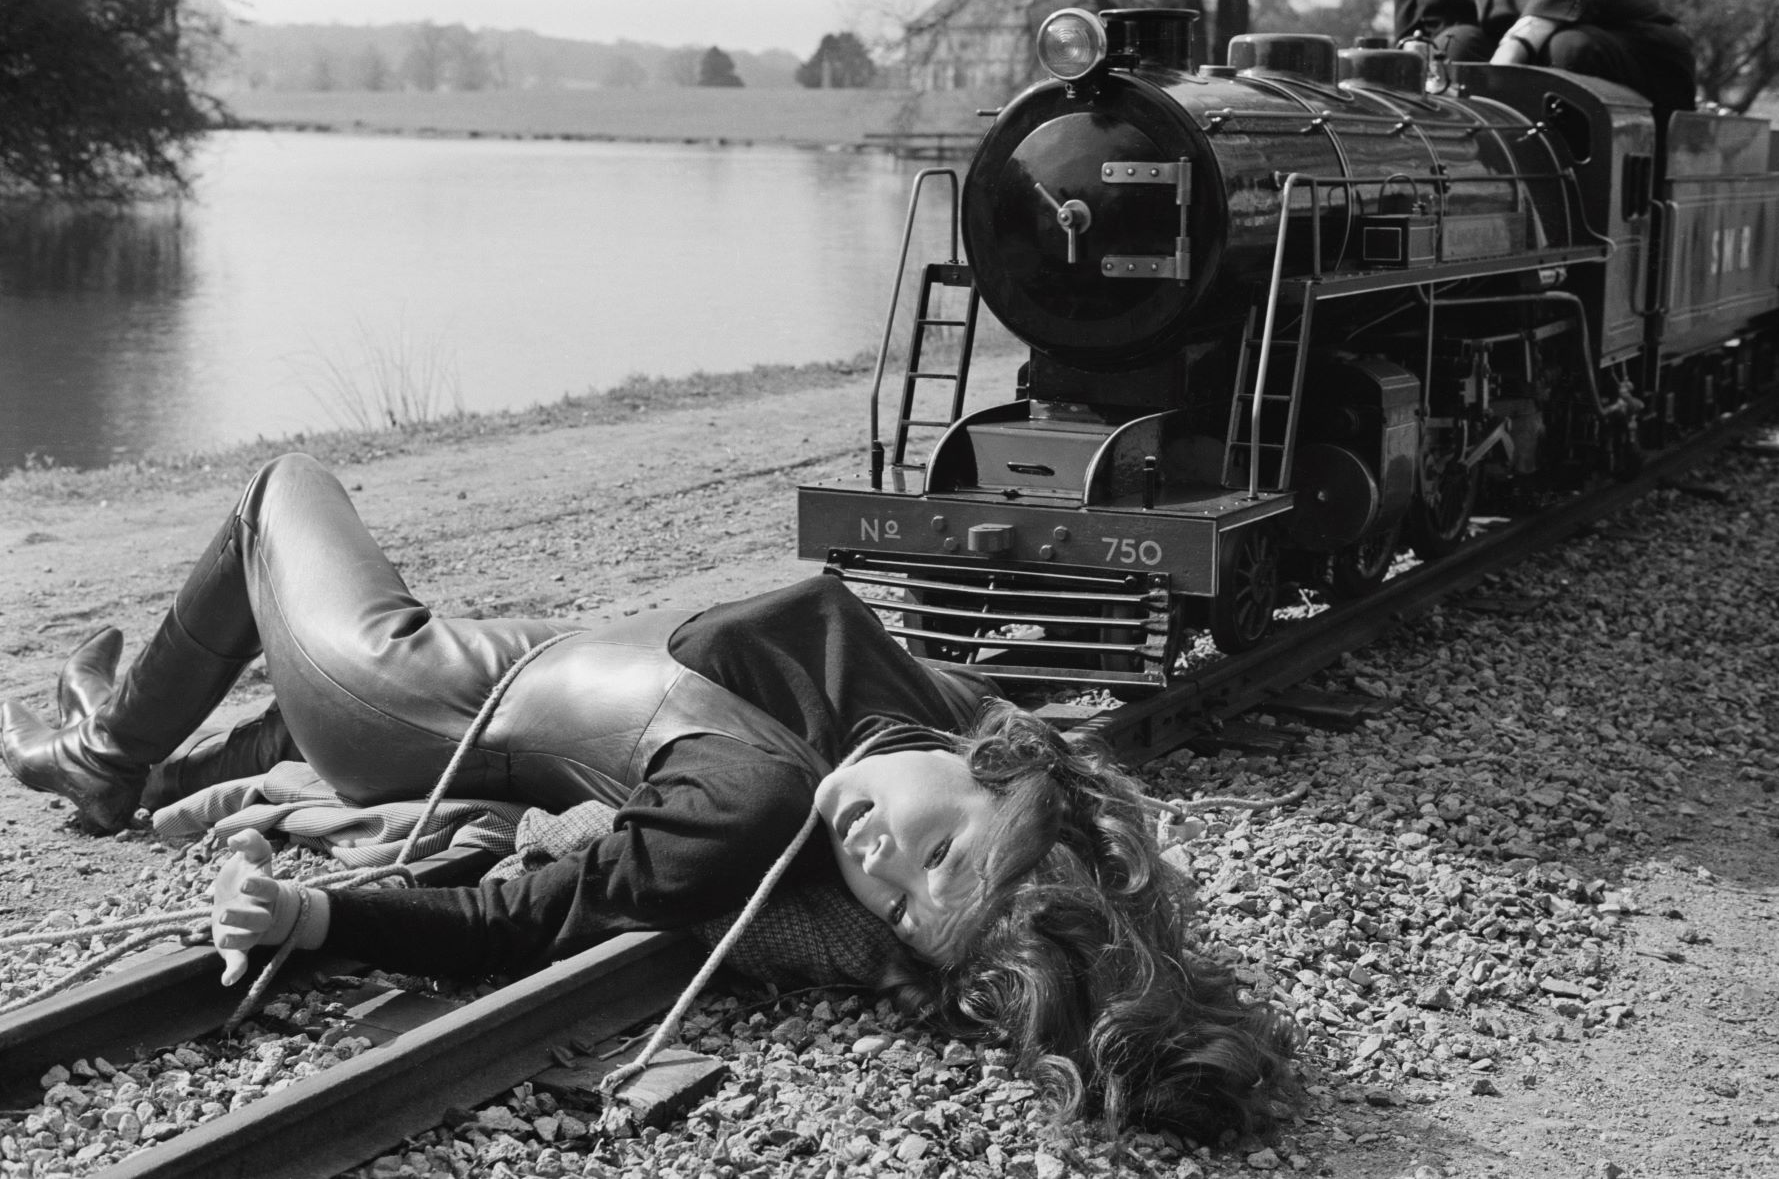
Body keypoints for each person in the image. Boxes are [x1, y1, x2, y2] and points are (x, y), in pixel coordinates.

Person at [1, 452, 1296, 1139]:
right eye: (937, 849)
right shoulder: (955, 717)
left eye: (900, 905)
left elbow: (519, 920)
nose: (875, 861)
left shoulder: (754, 803)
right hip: (540, 652)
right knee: (280, 633)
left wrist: (313, 919)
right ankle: (141, 737)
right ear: (1008, 769)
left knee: (279, 493)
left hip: (422, 701)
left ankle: (108, 756)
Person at [1392, 0, 1698, 114]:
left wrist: (1518, 44)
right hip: (1508, 35)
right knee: (1455, 44)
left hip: (1625, 37)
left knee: (1568, 50)